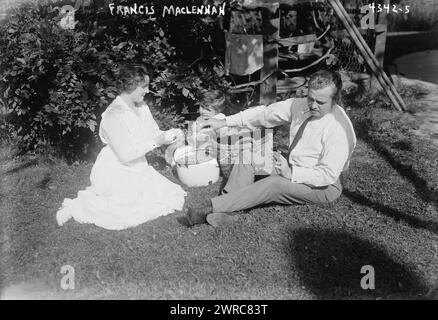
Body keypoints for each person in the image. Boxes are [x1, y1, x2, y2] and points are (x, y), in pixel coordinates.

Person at [186, 70, 357, 227]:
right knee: (248, 156)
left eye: (320, 102)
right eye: (310, 98)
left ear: (335, 100)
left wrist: (291, 174)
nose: (313, 105)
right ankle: (227, 210)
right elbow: (264, 115)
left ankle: (209, 209)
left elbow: (327, 175)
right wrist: (224, 122)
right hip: (293, 165)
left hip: (322, 187)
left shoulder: (339, 129)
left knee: (274, 184)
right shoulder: (300, 105)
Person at [56, 65, 187, 230]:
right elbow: (126, 154)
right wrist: (157, 141)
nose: (148, 90)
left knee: (168, 196)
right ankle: (75, 207)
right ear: (131, 86)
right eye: (144, 86)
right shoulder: (113, 115)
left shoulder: (142, 107)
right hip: (117, 168)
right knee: (122, 210)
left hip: (139, 165)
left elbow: (153, 133)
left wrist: (169, 135)